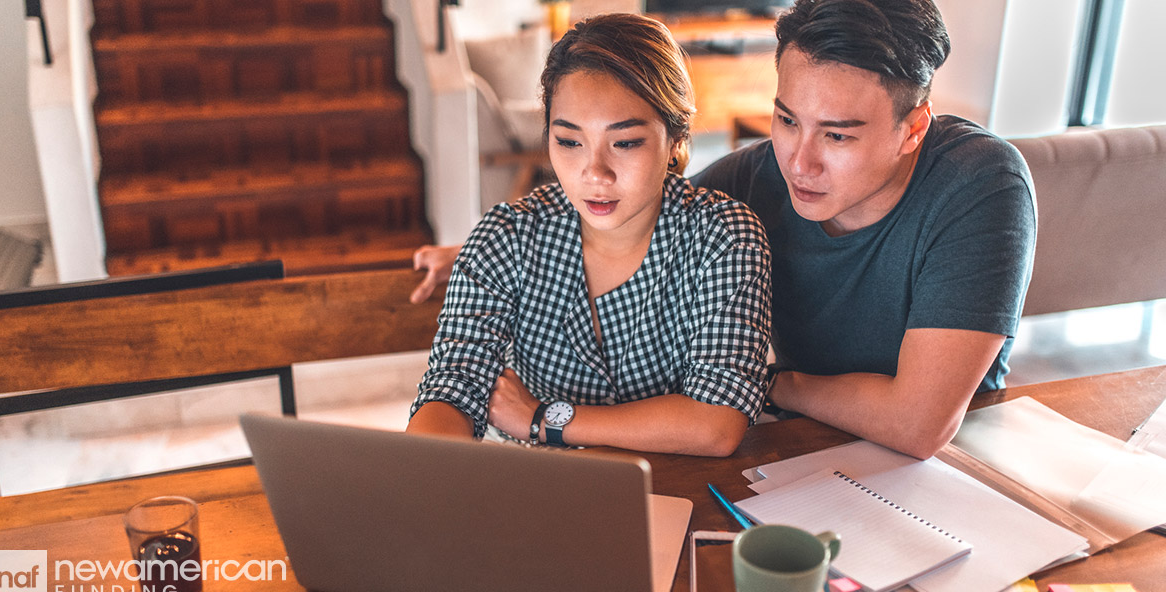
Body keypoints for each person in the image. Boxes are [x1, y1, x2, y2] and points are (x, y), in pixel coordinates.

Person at [409, 0, 1036, 461]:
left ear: (913, 128)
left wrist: (762, 385)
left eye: (837, 135)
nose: (799, 161)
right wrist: (481, 252)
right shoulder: (755, 179)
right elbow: (629, 203)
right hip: (793, 451)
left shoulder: (978, 183)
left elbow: (919, 424)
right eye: (786, 120)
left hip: (949, 468)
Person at [406, 14, 772, 457]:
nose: (594, 174)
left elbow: (716, 422)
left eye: (626, 142)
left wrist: (543, 419)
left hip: (681, 491)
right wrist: (421, 476)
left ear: (676, 138)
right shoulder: (505, 238)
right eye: (569, 142)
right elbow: (452, 388)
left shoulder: (724, 238)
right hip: (545, 494)